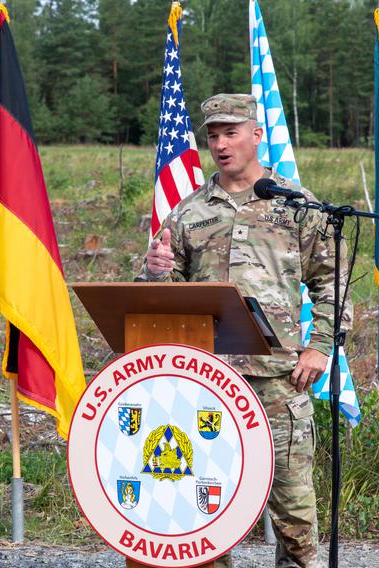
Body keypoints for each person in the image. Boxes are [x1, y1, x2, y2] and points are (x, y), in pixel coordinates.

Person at [137, 93, 347, 568]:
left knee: (293, 510)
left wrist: (318, 349)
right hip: (205, 379)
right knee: (208, 501)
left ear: (256, 135)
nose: (221, 144)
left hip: (277, 378)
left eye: (231, 133)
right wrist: (154, 271)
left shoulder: (295, 205)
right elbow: (167, 291)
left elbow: (332, 281)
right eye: (213, 136)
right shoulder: (189, 211)